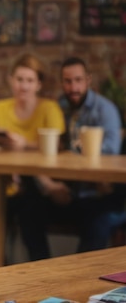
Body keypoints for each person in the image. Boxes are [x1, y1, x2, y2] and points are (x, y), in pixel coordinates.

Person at [16, 57, 125, 260]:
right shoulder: (60, 107)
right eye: (67, 81)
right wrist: (51, 185)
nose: (73, 87)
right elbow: (53, 146)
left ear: (88, 80)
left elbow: (111, 151)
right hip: (68, 191)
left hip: (97, 193)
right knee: (29, 211)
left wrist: (78, 150)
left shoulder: (105, 110)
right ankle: (42, 271)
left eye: (78, 80)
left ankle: (77, 279)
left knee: (98, 222)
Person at [0, 53, 65, 267]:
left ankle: (40, 274)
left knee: (29, 207)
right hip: (4, 184)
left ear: (38, 84)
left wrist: (25, 144)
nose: (24, 86)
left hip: (40, 185)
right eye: (19, 79)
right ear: (11, 80)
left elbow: (57, 145)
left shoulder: (49, 108)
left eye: (29, 80)